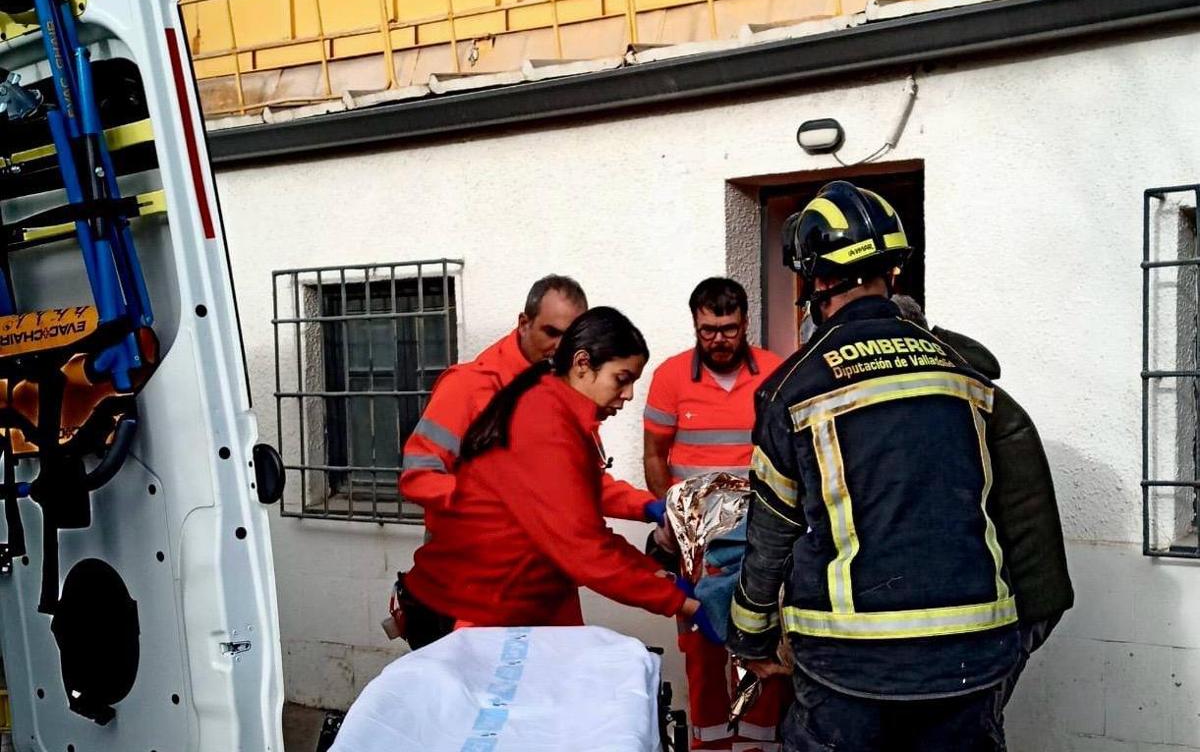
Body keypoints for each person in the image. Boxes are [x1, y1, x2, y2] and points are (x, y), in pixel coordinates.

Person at [728, 180, 1021, 752]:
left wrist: (750, 633)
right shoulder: (963, 372)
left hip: (852, 663)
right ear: (893, 273)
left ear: (815, 280)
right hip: (974, 650)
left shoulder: (792, 388)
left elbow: (771, 536)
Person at [400, 307, 717, 648]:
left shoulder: (559, 411)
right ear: (582, 363)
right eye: (621, 380)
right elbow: (584, 549)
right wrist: (678, 601)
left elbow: (582, 520)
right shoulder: (544, 421)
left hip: (508, 603)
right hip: (470, 609)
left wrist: (658, 573)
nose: (627, 395)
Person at [889, 294, 1073, 706]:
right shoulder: (965, 391)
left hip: (1012, 605)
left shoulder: (954, 404)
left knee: (969, 725)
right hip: (1019, 600)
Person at [642, 278, 785, 751]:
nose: (718, 339)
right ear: (695, 325)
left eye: (728, 329)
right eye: (708, 330)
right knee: (702, 649)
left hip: (761, 539)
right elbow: (653, 458)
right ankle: (709, 745)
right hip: (697, 544)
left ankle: (758, 744)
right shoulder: (670, 377)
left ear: (745, 323)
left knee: (760, 640)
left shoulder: (775, 371)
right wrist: (672, 517)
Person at [399, 275, 660, 528]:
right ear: (524, 323)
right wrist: (495, 504)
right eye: (551, 332)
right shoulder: (468, 386)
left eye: (569, 337)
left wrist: (647, 506)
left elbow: (579, 485)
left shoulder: (568, 392)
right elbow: (419, 476)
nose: (560, 346)